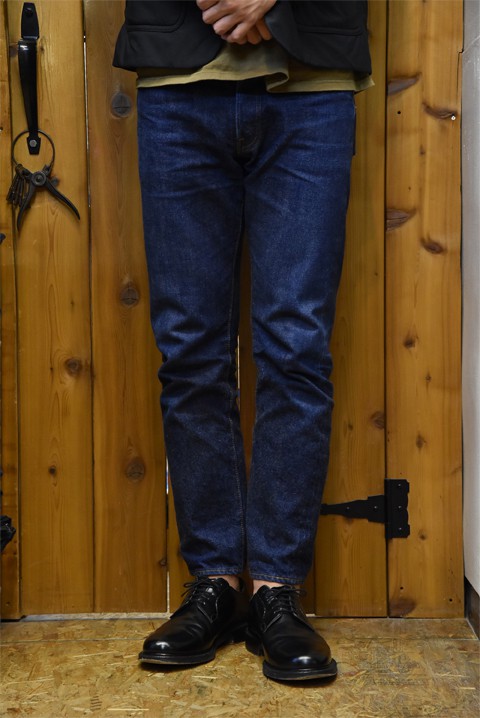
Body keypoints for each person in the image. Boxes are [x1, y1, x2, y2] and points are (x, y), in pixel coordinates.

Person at [114, 0, 372, 682]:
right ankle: (216, 583)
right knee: (190, 350)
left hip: (312, 80)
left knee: (296, 348)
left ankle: (275, 591)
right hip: (179, 79)